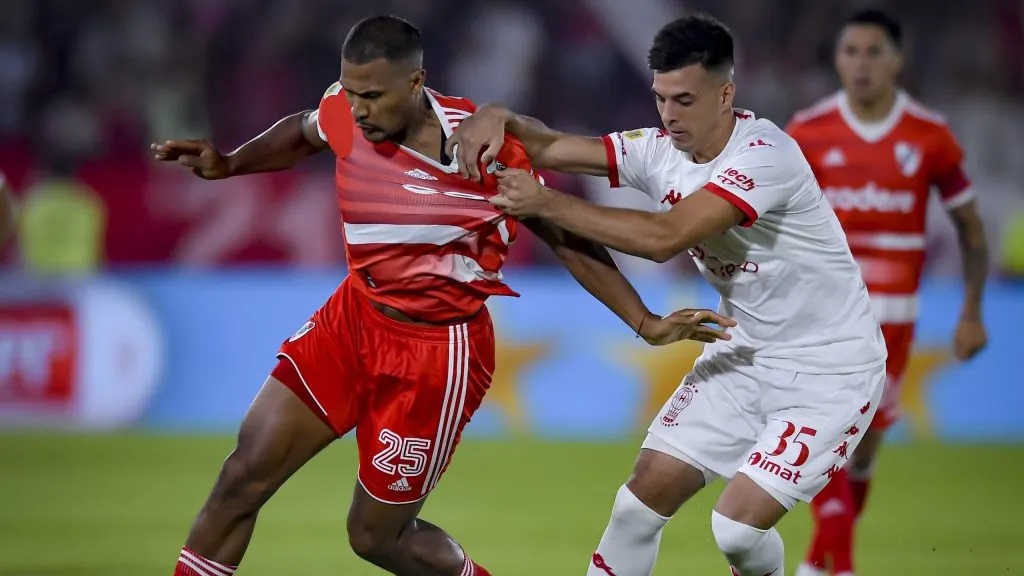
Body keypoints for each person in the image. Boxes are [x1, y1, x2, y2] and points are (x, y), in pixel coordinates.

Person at [152, 15, 732, 576]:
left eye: (373, 96)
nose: (358, 109)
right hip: (351, 319)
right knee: (241, 476)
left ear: (415, 83)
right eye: (351, 93)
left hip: (435, 354)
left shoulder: (481, 150)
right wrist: (230, 164)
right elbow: (307, 130)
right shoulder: (345, 110)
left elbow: (566, 237)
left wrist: (644, 320)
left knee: (376, 537)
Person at [449, 13, 887, 576]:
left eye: (684, 100)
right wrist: (497, 115)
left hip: (831, 370)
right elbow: (552, 145)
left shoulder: (765, 154)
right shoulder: (657, 149)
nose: (669, 115)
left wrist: (546, 203)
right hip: (744, 352)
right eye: (660, 99)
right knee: (637, 504)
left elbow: (665, 238)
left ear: (726, 93)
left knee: (735, 531)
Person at [785, 10, 989, 576]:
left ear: (898, 60)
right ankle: (842, 566)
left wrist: (972, 311)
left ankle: (815, 565)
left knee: (864, 448)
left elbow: (972, 229)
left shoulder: (928, 136)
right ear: (837, 60)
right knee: (828, 442)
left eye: (874, 52)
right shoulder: (808, 131)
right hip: (823, 316)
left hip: (895, 320)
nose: (862, 63)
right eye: (851, 52)